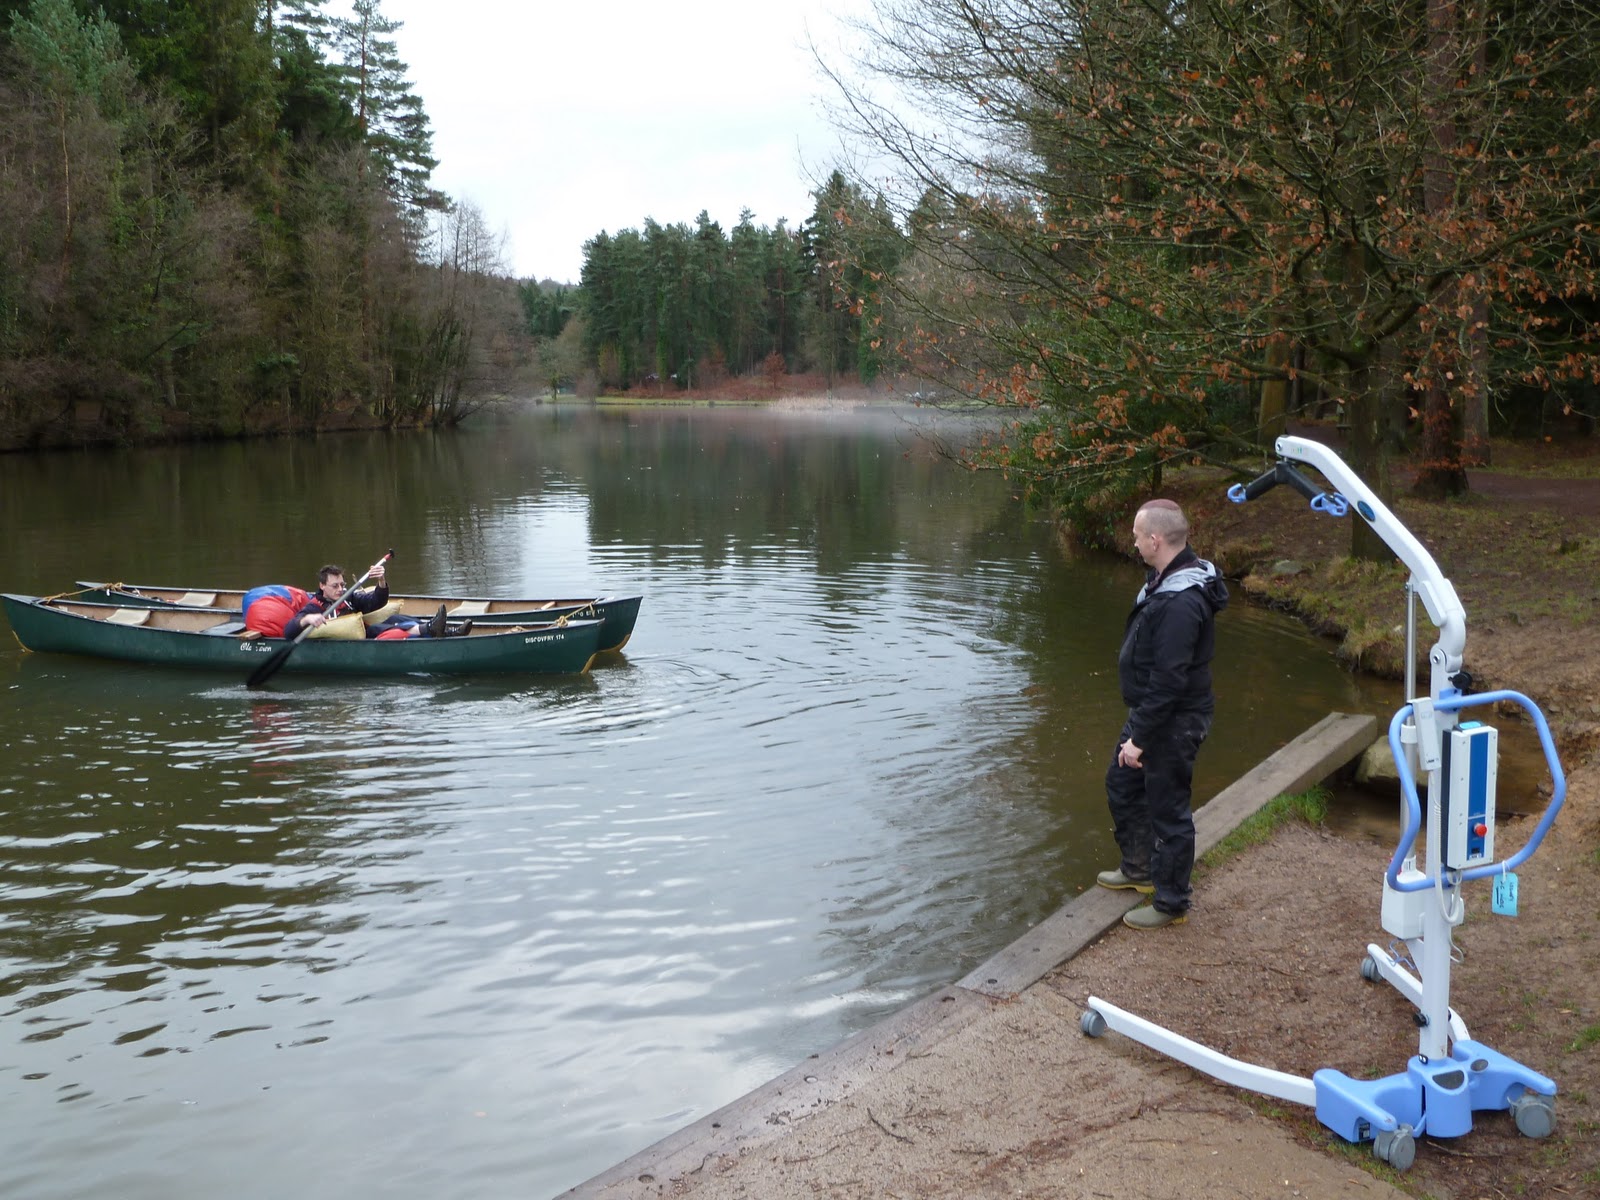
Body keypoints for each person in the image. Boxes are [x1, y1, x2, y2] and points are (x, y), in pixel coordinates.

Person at [1096, 498, 1229, 930]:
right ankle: (1139, 869)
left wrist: (1140, 739)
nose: (1133, 543)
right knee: (1121, 783)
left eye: (1137, 536)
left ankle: (1171, 903)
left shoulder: (1181, 603)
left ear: (1155, 540)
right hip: (1152, 711)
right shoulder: (1164, 580)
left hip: (1174, 718)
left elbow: (1170, 680)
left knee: (1168, 809)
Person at [285, 563, 460, 640]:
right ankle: (429, 629)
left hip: (367, 632)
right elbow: (289, 631)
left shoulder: (348, 597)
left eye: (342, 585)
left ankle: (445, 631)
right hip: (359, 641)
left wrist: (381, 581)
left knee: (394, 619)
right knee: (377, 629)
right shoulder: (313, 607)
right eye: (335, 586)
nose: (340, 589)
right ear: (322, 586)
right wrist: (307, 619)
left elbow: (375, 602)